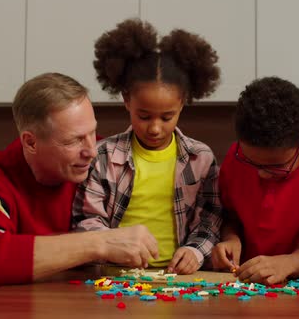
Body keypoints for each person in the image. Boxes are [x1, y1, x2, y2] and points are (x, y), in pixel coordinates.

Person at [0, 73, 159, 305]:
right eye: (73, 141)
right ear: (30, 142)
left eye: (92, 133)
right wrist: (100, 243)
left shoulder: (105, 160)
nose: (91, 150)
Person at [72, 19, 223, 275]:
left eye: (167, 117)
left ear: (183, 103)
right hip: (115, 276)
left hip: (179, 280)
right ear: (126, 100)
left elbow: (210, 220)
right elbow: (86, 219)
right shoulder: (103, 155)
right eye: (144, 116)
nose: (154, 128)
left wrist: (195, 251)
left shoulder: (201, 158)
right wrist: (111, 247)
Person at [211, 77, 299, 285]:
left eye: (276, 167)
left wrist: (288, 263)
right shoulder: (236, 157)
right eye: (251, 162)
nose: (262, 174)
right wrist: (231, 239)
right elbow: (231, 217)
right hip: (246, 287)